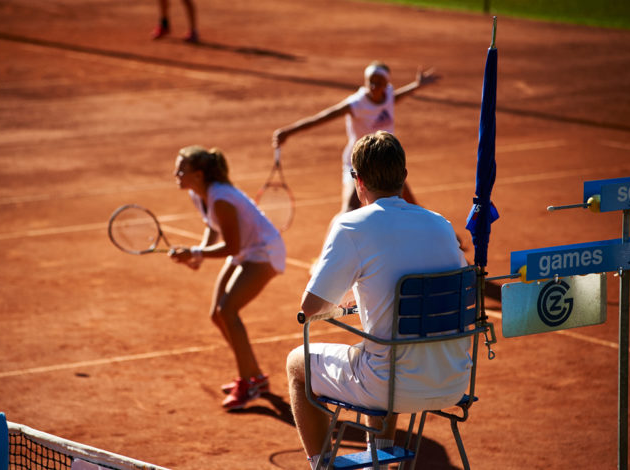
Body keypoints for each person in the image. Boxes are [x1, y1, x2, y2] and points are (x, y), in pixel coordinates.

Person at [285, 131, 471, 469]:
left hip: (389, 385)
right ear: (404, 177)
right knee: (381, 352)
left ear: (358, 180)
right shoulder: (441, 225)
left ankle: (321, 466)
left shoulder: (350, 226)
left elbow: (311, 308)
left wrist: (339, 307)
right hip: (454, 381)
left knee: (298, 363)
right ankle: (379, 465)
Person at [169, 145, 286, 410]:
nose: (176, 174)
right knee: (217, 314)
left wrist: (196, 252)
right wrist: (197, 256)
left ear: (198, 175)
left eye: (181, 169)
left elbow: (231, 247)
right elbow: (213, 227)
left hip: (264, 252)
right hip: (247, 249)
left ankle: (249, 383)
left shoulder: (221, 197)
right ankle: (255, 376)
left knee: (228, 310)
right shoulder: (198, 194)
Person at [273, 61, 437, 220]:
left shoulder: (388, 97)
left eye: (379, 83)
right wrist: (288, 132)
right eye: (371, 82)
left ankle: (438, 234)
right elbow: (321, 117)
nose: (374, 87)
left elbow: (394, 99)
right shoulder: (356, 104)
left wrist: (416, 85)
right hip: (358, 164)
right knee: (348, 211)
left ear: (387, 83)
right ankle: (330, 246)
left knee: (410, 204)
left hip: (386, 162)